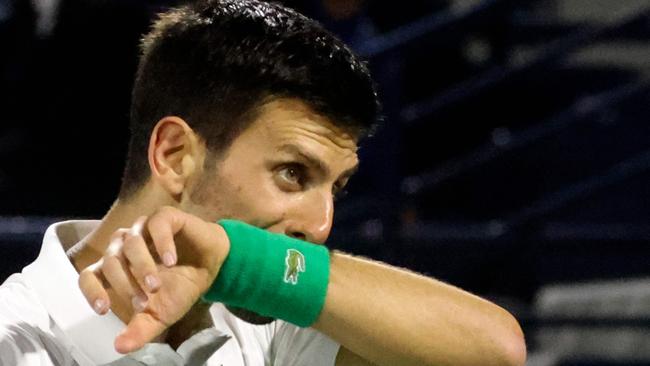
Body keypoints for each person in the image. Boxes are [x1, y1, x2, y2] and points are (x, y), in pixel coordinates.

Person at [0, 0, 526, 365]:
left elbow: (495, 349)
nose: (322, 226)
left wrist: (242, 263)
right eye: (293, 174)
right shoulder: (14, 338)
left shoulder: (265, 319)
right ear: (175, 155)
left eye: (337, 189)